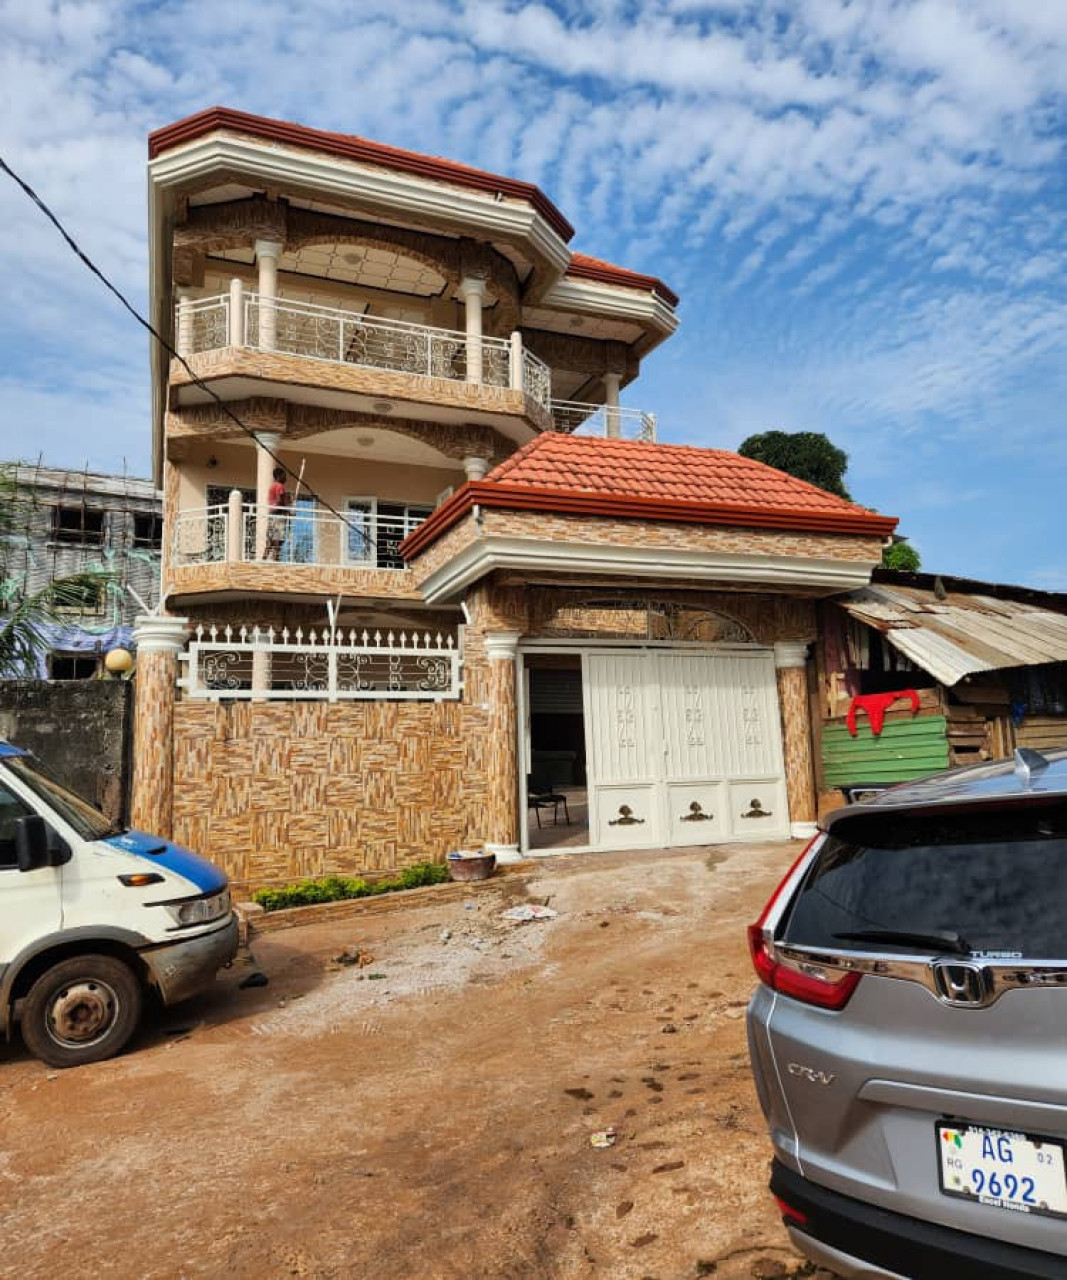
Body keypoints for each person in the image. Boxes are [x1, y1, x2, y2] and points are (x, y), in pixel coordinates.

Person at [266, 466, 290, 560]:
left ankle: (265, 557)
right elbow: (280, 501)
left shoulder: (272, 486)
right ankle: (276, 557)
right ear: (279, 476)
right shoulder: (280, 486)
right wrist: (288, 510)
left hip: (272, 514)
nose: (285, 478)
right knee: (279, 538)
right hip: (278, 514)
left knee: (271, 538)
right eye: (284, 476)